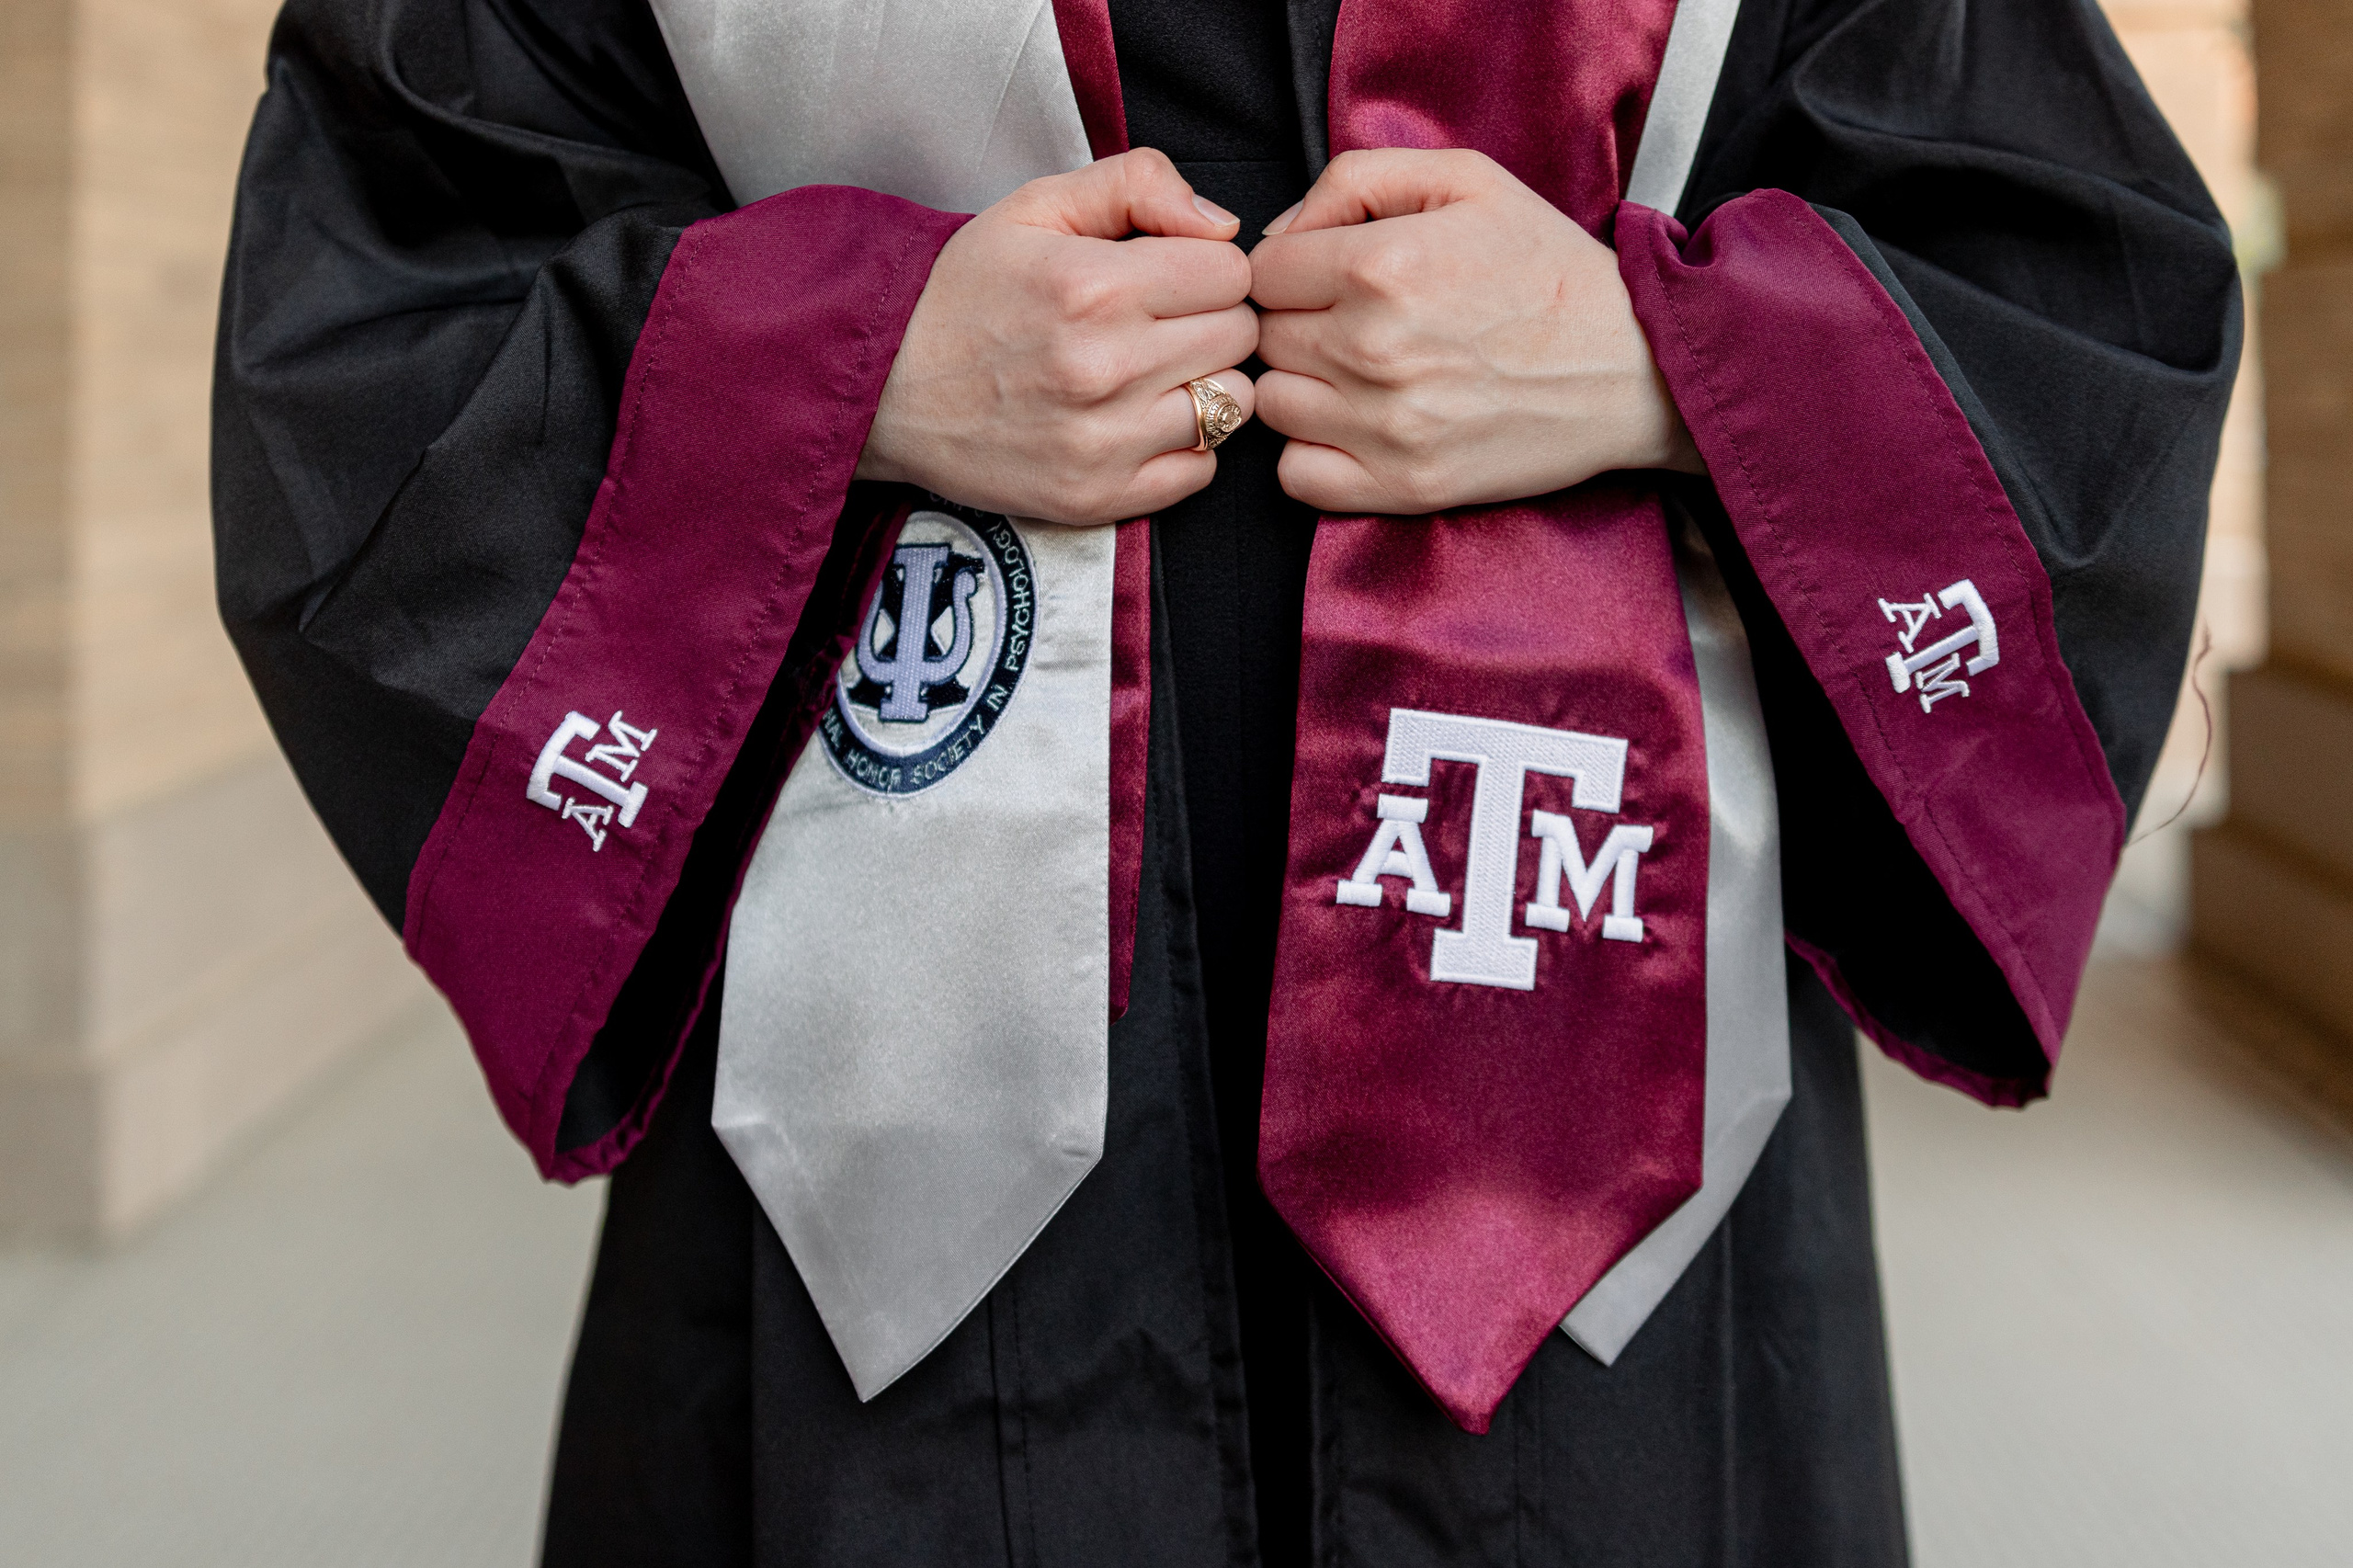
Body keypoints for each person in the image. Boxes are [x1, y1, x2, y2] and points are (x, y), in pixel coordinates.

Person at [212, 0, 2238, 1562]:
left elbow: (2059, 283)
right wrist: (856, 363)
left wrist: (1651, 353)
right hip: (886, 1008)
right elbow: (382, 300)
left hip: (1578, 984)